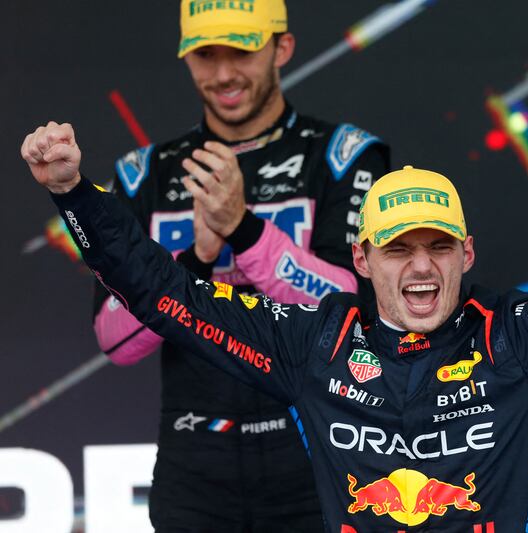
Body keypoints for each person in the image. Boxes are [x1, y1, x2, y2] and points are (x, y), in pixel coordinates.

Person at [22, 102, 528, 532]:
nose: (419, 267)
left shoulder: (524, 339)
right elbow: (162, 294)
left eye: (438, 246)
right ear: (363, 257)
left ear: (466, 253)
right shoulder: (316, 340)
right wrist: (72, 195)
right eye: (399, 248)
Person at [91, 0, 389, 530]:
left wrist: (243, 229)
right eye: (206, 54)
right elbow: (114, 340)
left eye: (243, 51)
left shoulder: (345, 156)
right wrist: (196, 261)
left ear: (283, 48)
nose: (224, 74)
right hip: (194, 466)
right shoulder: (143, 176)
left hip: (318, 452)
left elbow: (354, 310)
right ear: (186, 59)